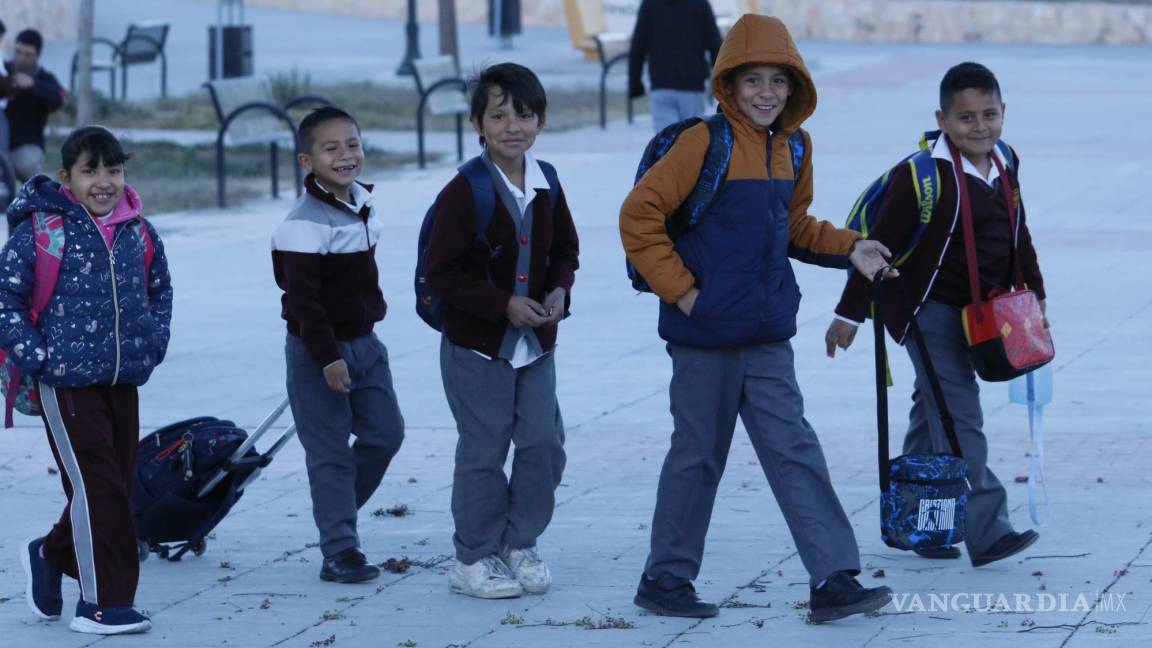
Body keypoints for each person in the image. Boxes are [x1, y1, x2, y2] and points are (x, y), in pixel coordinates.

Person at [619, 14, 894, 622]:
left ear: (795, 87)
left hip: (767, 335)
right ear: (728, 85)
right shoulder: (702, 143)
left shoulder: (795, 146)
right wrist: (687, 296)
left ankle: (834, 580)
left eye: (778, 81)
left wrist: (852, 246)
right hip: (703, 337)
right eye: (752, 81)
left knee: (795, 449)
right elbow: (638, 218)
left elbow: (792, 225)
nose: (766, 93)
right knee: (698, 456)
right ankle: (665, 580)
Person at [826, 61, 1045, 567]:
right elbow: (876, 250)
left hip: (981, 313)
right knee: (959, 415)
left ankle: (916, 524)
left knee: (933, 415)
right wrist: (849, 315)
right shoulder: (919, 177)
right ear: (942, 119)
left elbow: (1019, 235)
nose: (979, 127)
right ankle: (988, 531)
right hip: (927, 314)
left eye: (989, 114)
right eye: (965, 118)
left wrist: (1036, 297)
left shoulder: (1005, 161)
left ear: (1003, 112)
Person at [2, 126, 172, 634]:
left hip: (123, 379)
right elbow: (6, 300)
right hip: (66, 382)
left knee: (115, 485)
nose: (104, 182)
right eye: (90, 171)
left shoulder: (138, 231)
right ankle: (102, 604)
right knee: (98, 487)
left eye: (113, 170)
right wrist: (38, 357)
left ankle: (52, 553)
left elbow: (160, 288)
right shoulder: (41, 232)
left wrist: (154, 339)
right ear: (66, 178)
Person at [423, 62, 579, 599]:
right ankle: (473, 557)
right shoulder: (463, 192)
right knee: (484, 450)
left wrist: (560, 291)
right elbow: (441, 274)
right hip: (476, 346)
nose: (514, 126)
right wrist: (501, 304)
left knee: (544, 445)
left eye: (526, 114)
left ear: (541, 122)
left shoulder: (548, 181)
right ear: (478, 124)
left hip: (535, 347)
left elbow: (565, 251)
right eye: (499, 115)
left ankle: (519, 542)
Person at [272, 106, 405, 584]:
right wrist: (327, 356)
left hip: (367, 344)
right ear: (307, 161)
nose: (346, 155)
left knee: (386, 434)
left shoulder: (362, 202)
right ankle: (339, 550)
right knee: (328, 452)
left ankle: (336, 514)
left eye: (352, 144)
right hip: (317, 353)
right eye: (331, 149)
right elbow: (303, 301)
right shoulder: (302, 223)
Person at [628, 0, 722, 132]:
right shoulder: (700, 4)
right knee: (692, 138)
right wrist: (723, 80)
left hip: (661, 82)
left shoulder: (650, 4)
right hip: (692, 84)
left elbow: (638, 44)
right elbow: (715, 44)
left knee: (665, 141)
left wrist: (635, 84)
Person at [2, 29, 65, 180]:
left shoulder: (45, 78)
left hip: (26, 146)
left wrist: (33, 85)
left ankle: (50, 193)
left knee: (28, 165)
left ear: (38, 56)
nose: (21, 58)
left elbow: (58, 99)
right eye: (18, 51)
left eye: (27, 54)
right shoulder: (3, 70)